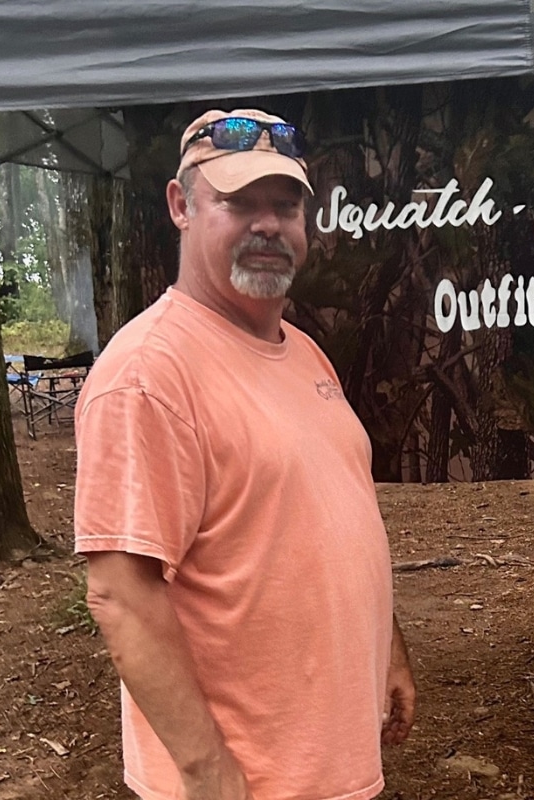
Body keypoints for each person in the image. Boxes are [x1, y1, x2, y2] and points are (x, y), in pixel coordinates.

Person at [75, 108, 416, 800]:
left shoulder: (301, 352)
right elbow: (122, 593)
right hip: (247, 780)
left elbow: (330, 516)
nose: (268, 225)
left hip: (326, 764)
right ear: (181, 206)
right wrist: (209, 774)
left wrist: (390, 652)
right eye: (238, 203)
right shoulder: (148, 374)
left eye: (286, 207)